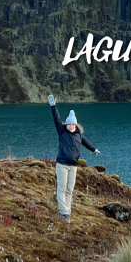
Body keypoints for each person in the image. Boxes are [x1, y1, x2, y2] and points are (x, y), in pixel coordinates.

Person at [48, 94, 98, 223]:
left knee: (70, 189)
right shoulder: (62, 131)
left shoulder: (78, 135)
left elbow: (86, 142)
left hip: (73, 166)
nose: (71, 126)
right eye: (69, 124)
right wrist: (53, 106)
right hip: (62, 164)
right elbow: (56, 119)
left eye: (73, 124)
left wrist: (93, 149)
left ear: (76, 125)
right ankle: (63, 212)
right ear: (67, 124)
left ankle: (67, 212)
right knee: (62, 188)